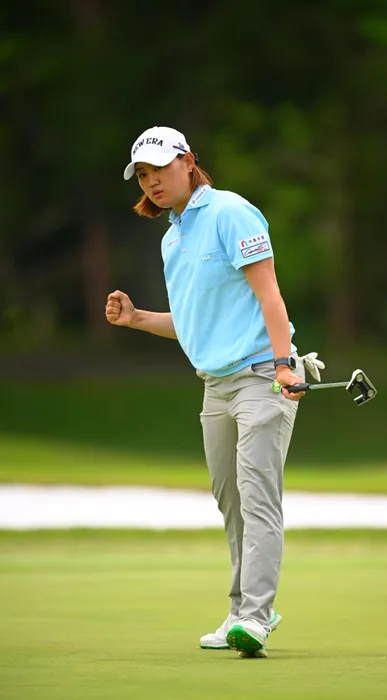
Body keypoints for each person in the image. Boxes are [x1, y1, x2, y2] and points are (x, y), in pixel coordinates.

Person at [105, 126, 323, 659]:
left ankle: (254, 617)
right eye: (143, 175)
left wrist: (284, 364)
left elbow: (270, 297)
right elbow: (193, 323)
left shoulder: (231, 213)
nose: (152, 182)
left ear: (188, 161)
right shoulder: (172, 238)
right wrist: (136, 319)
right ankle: (242, 610)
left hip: (262, 376)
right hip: (215, 386)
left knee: (257, 494)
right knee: (232, 503)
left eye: (160, 169)